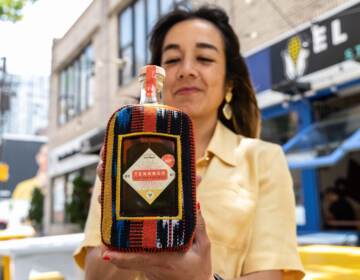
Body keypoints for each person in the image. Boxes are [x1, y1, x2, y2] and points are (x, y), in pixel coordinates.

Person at [74, 5, 305, 280]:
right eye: (171, 60)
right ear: (157, 80)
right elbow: (95, 276)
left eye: (204, 58)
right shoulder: (123, 151)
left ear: (229, 83)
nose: (186, 70)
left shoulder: (263, 158)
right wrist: (126, 217)